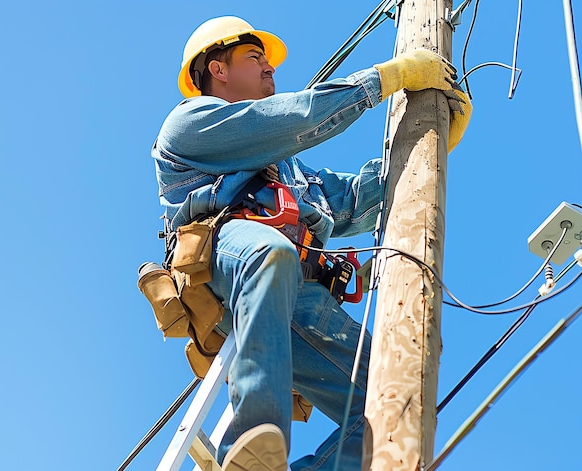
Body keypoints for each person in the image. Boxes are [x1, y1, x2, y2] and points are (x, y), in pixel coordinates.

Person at [151, 15, 470, 471]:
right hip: (230, 263)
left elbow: (358, 199)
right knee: (270, 252)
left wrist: (432, 143)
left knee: (392, 399)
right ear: (217, 69)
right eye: (254, 58)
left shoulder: (294, 173)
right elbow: (291, 119)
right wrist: (384, 79)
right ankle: (250, 435)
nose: (269, 70)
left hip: (298, 293)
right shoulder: (188, 124)